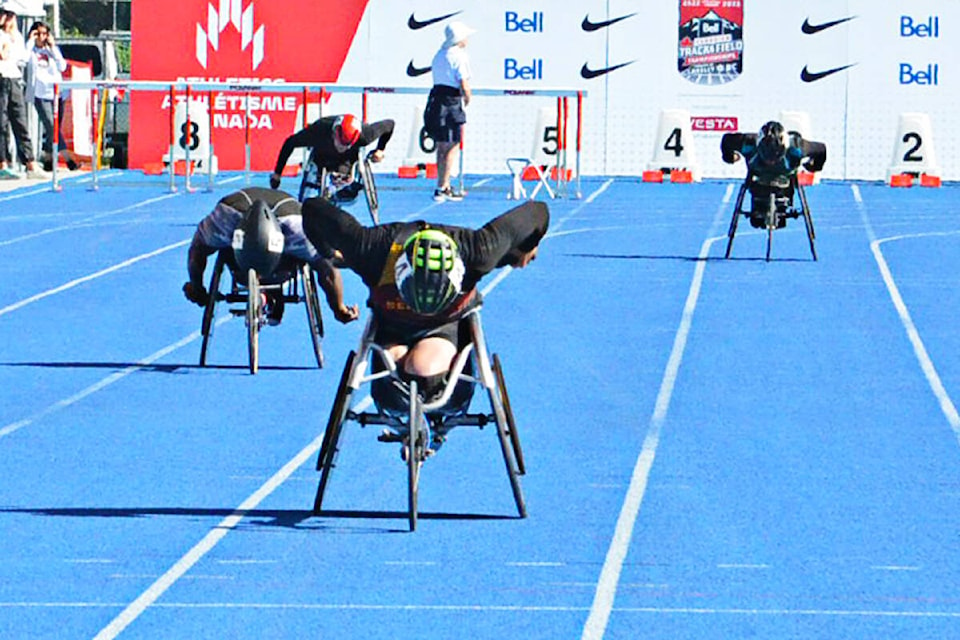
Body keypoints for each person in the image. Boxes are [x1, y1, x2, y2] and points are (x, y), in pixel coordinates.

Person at [301, 196, 548, 406]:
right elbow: (312, 208)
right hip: (392, 325)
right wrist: (327, 254)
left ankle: (437, 415)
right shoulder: (371, 249)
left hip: (445, 325)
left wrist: (528, 246)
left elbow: (538, 211)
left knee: (422, 369)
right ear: (400, 273)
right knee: (393, 373)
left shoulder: (479, 251)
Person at [182, 187, 360, 327]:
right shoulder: (227, 217)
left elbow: (198, 248)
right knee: (317, 258)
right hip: (253, 219)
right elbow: (328, 269)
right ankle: (271, 292)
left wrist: (197, 287)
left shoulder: (297, 226)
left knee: (208, 244)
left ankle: (270, 292)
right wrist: (339, 308)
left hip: (271, 221)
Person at [721, 121, 826, 228]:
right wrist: (729, 157)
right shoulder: (748, 142)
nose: (771, 161)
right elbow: (726, 141)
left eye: (775, 158)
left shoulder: (797, 147)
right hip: (759, 182)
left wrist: (814, 167)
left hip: (784, 185)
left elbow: (822, 149)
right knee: (756, 222)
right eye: (767, 158)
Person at [269, 113, 394, 202]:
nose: (342, 147)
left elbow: (390, 124)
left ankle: (339, 187)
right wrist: (277, 173)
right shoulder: (319, 130)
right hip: (322, 153)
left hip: (348, 159)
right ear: (335, 132)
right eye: (341, 143)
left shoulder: (366, 134)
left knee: (345, 175)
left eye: (347, 144)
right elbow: (289, 143)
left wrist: (380, 149)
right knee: (318, 165)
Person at [424, 21, 474, 203]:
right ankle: (444, 186)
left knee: (441, 146)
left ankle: (441, 186)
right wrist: (467, 98)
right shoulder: (459, 56)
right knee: (452, 145)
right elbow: (463, 82)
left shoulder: (439, 55)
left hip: (436, 100)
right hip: (451, 102)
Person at [0, 9, 47, 180]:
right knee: (2, 123)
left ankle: (30, 163)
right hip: (1, 78)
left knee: (20, 121)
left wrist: (28, 42)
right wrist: (6, 46)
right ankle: (3, 163)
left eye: (11, 16)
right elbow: (3, 56)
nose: (9, 19)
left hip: (14, 78)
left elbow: (23, 58)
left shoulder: (16, 36)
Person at [26, 21, 78, 171]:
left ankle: (48, 159)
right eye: (38, 34)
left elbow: (62, 66)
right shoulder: (30, 51)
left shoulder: (52, 50)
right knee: (51, 126)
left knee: (54, 127)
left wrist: (53, 47)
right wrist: (30, 41)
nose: (41, 37)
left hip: (56, 93)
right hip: (39, 93)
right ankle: (68, 159)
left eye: (44, 34)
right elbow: (23, 60)